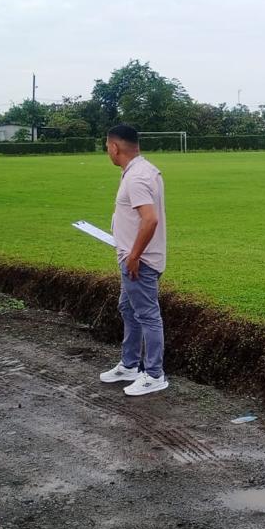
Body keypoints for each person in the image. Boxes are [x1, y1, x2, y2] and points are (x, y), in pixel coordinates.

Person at [100, 124, 169, 395]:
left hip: (140, 262)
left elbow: (150, 220)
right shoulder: (141, 171)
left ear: (114, 147)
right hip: (133, 258)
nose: (107, 152)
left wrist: (134, 256)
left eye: (107, 147)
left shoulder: (137, 178)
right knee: (128, 309)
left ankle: (154, 375)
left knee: (148, 316)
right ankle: (129, 365)